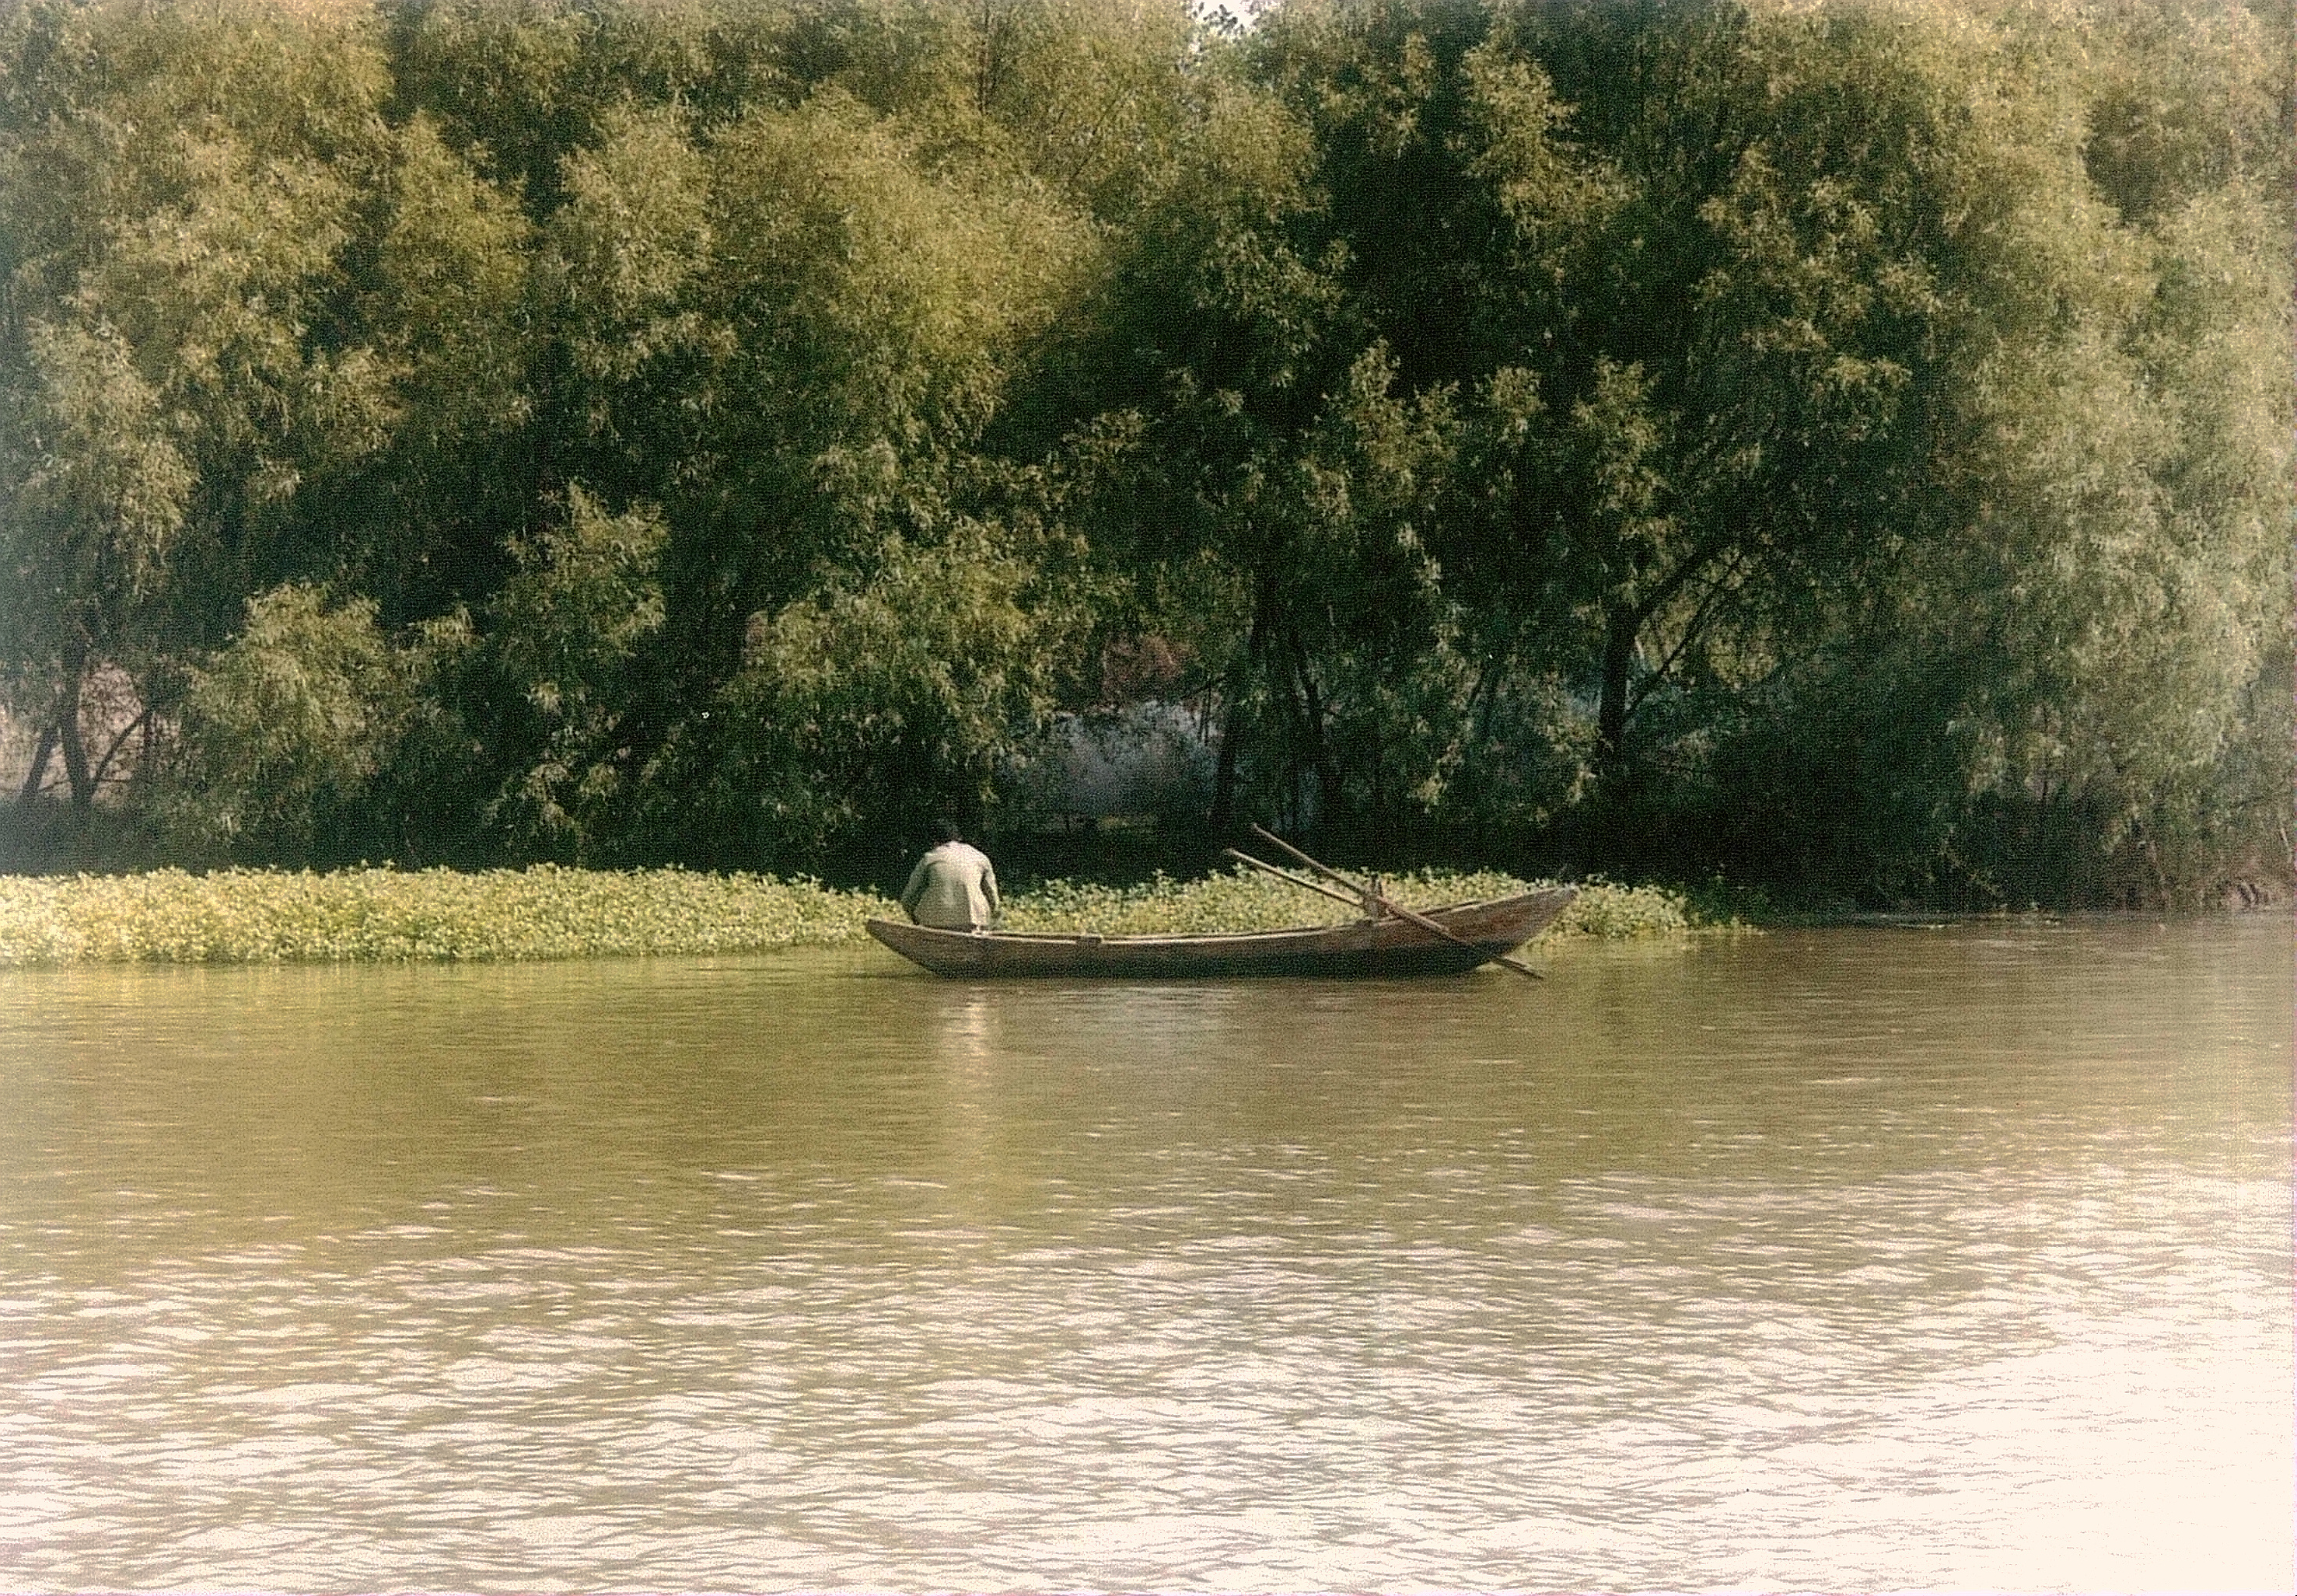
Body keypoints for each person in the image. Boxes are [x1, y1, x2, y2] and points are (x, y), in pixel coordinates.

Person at [900, 821, 1001, 932]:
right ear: (958, 838)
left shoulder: (930, 858)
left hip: (934, 922)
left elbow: (908, 897)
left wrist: (914, 918)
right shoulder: (980, 857)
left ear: (935, 842)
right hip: (973, 921)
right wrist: (987, 917)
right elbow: (993, 898)